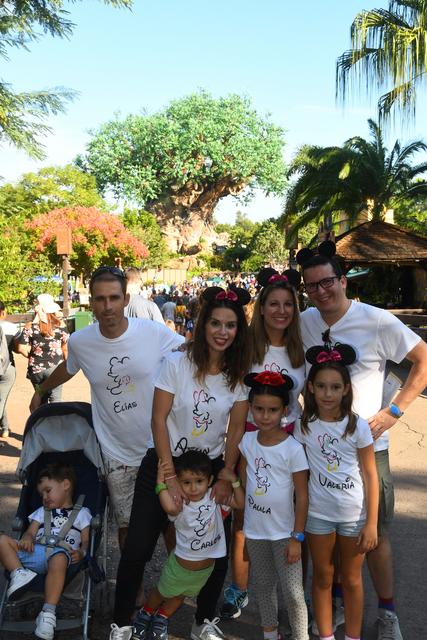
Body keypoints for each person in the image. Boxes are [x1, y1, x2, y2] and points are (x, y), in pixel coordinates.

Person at [298, 242, 427, 640]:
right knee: (329, 539)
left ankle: (388, 613)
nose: (322, 292)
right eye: (312, 286)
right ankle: (337, 606)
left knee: (375, 536)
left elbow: (424, 361)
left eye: (328, 282)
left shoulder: (376, 320)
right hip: (319, 448)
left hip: (370, 447)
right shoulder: (304, 322)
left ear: (343, 279)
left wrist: (393, 412)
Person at [112, 285, 251, 640]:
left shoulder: (238, 373)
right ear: (204, 325)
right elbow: (158, 419)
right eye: (216, 323)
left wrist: (226, 472)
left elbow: (236, 428)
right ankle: (122, 622)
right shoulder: (177, 362)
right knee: (138, 546)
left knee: (214, 552)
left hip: (209, 471)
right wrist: (168, 473)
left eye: (230, 325)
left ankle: (202, 621)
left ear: (239, 331)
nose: (222, 332)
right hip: (164, 463)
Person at [29, 267, 184, 550]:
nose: (107, 306)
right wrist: (41, 389)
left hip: (158, 447)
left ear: (126, 299)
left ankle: (177, 589)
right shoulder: (81, 341)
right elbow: (69, 367)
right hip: (115, 453)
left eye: (114, 298)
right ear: (91, 302)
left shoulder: (153, 333)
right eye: (100, 299)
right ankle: (133, 590)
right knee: (126, 526)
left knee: (170, 521)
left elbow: (188, 353)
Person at [221, 267, 306, 620]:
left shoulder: (302, 349)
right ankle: (240, 591)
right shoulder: (247, 347)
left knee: (294, 517)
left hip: (290, 444)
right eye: (273, 303)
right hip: (253, 443)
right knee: (245, 519)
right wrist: (230, 464)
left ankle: (294, 596)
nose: (281, 310)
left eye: (288, 304)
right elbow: (238, 409)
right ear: (262, 305)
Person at [293, 341, 379, 640]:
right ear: (311, 389)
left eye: (335, 387)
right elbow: (299, 476)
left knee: (352, 580)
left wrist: (371, 523)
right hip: (318, 517)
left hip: (354, 517)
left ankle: (353, 636)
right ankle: (327, 635)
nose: (328, 394)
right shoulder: (304, 427)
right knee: (323, 577)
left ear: (345, 389)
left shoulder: (358, 427)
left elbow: (370, 475)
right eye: (321, 386)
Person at [129, 452, 244, 640]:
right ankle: (146, 612)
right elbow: (167, 506)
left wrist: (235, 481)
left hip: (204, 571)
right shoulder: (180, 503)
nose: (193, 488)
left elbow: (239, 502)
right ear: (178, 484)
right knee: (162, 592)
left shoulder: (215, 498)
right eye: (187, 482)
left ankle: (161, 618)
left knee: (180, 596)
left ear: (210, 480)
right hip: (180, 567)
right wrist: (161, 481)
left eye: (199, 481)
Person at [239, 371, 309, 640]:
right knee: (264, 587)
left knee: (293, 593)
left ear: (285, 411)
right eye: (258, 409)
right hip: (256, 532)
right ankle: (270, 633)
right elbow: (243, 478)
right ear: (251, 408)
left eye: (272, 410)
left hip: (285, 535)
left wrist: (297, 536)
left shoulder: (292, 449)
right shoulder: (246, 441)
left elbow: (302, 496)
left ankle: (300, 636)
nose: (264, 416)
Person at [0, 463, 91, 640]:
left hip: (61, 556)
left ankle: (48, 614)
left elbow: (86, 542)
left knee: (58, 559)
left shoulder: (82, 514)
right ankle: (19, 573)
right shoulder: (41, 512)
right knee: (2, 540)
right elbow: (30, 532)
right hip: (36, 553)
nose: (44, 497)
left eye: (48, 490)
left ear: (65, 485)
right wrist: (27, 538)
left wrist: (82, 553)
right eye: (41, 493)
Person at [16, 294, 69, 404]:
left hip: (36, 369)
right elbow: (65, 348)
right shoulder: (60, 325)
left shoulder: (30, 327)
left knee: (40, 399)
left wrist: (32, 356)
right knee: (56, 399)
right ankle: (55, 420)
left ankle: (42, 420)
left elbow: (21, 348)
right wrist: (66, 364)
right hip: (56, 367)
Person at [0, 301, 19, 438]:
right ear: (3, 312)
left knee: (1, 399)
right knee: (2, 399)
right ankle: (5, 429)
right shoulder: (11, 328)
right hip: (7, 367)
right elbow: (18, 349)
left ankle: (5, 428)